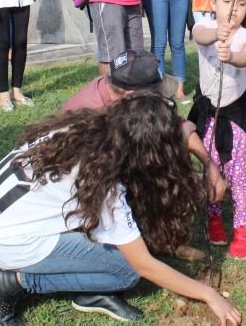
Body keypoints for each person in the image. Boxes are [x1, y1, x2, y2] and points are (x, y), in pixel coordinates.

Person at [0, 95, 242, 326]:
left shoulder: (86, 129)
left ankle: (84, 284)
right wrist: (209, 294)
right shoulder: (105, 186)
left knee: (121, 248)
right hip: (10, 242)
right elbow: (144, 265)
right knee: (126, 270)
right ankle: (16, 282)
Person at [61, 48, 227, 217]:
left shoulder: (121, 93)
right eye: (155, 93)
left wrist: (209, 165)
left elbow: (178, 124)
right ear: (132, 95)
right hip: (81, 196)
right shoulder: (90, 120)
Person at [188, 0, 246, 259]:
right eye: (227, 1)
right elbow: (200, 36)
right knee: (212, 168)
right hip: (207, 113)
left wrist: (230, 55)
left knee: (237, 173)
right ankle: (214, 216)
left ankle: (241, 229)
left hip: (235, 116)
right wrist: (217, 34)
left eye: (241, 4)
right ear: (213, 3)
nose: (233, 9)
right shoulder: (203, 27)